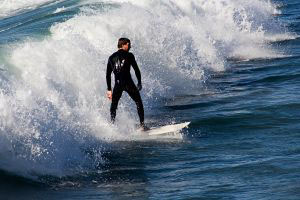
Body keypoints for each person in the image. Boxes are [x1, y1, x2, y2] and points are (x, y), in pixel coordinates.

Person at [106, 38, 147, 130]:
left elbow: (108, 75)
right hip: (128, 83)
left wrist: (109, 89)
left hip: (118, 85)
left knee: (114, 105)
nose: (130, 46)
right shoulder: (129, 55)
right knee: (138, 102)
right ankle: (142, 126)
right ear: (125, 44)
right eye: (129, 45)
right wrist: (139, 82)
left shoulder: (111, 57)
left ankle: (112, 125)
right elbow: (136, 69)